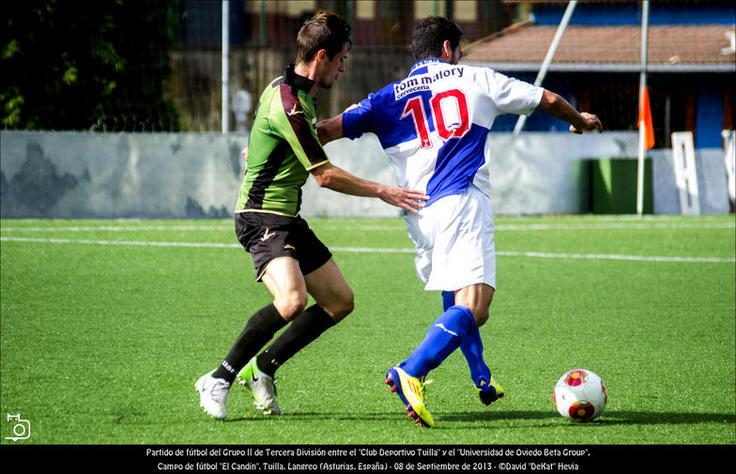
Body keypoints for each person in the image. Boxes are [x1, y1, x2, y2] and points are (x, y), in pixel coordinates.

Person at [317, 16, 602, 427]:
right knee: (477, 306)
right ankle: (411, 369)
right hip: (461, 200)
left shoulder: (385, 97)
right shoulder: (475, 79)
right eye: (459, 50)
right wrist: (581, 121)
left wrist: (271, 146)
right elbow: (550, 99)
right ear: (448, 49)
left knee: (456, 296)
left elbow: (323, 131)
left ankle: (480, 375)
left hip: (418, 214)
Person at [195, 11, 428, 420]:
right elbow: (323, 175)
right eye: (341, 59)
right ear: (321, 56)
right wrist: (382, 190)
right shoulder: (291, 104)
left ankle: (264, 368)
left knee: (339, 301)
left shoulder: (289, 92)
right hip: (260, 216)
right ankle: (220, 377)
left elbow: (280, 135)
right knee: (292, 300)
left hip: (287, 218)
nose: (343, 67)